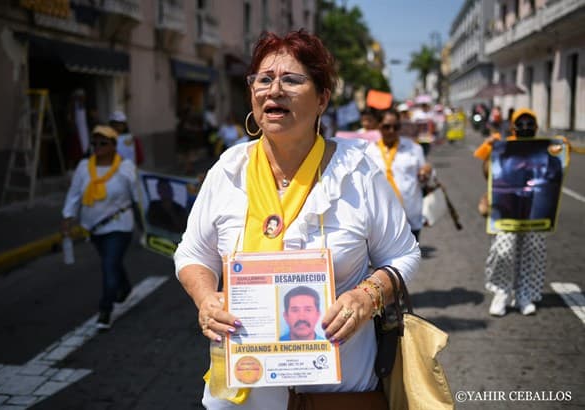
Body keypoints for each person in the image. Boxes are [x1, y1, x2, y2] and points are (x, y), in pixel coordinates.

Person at [174, 29, 420, 409]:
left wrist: (365, 296)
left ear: (322, 99)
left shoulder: (357, 171)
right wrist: (206, 299)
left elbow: (404, 255)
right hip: (242, 397)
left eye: (291, 79)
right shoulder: (228, 170)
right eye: (263, 79)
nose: (274, 90)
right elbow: (192, 253)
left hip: (336, 395)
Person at [474, 108, 551, 317]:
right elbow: (486, 171)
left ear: (535, 127)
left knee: (533, 249)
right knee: (503, 250)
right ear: (513, 126)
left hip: (534, 208)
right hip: (506, 207)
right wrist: (491, 149)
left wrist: (561, 149)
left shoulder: (544, 149)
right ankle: (501, 292)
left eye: (530, 124)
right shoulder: (503, 147)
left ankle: (525, 294)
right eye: (521, 123)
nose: (525, 127)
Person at [61, 125, 139, 329]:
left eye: (103, 143)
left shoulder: (125, 167)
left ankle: (105, 310)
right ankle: (125, 286)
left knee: (108, 264)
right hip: (93, 227)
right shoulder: (84, 166)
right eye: (94, 143)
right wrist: (68, 217)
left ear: (114, 145)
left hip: (120, 226)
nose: (98, 146)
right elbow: (75, 194)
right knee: (111, 263)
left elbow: (139, 195)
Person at [365, 108, 433, 241]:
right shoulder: (368, 152)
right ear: (378, 126)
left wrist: (427, 172)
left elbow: (426, 178)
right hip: (380, 221)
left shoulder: (414, 148)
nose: (391, 131)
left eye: (396, 127)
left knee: (409, 261)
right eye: (386, 127)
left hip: (410, 218)